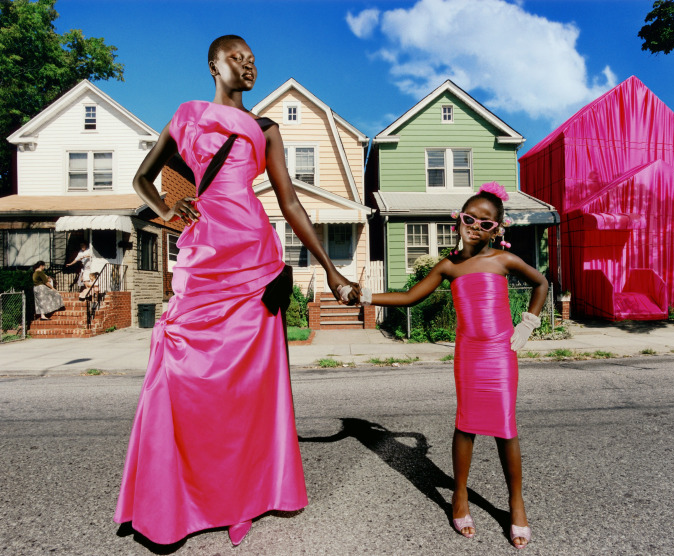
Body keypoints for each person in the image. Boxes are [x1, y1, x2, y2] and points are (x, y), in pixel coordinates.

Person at [114, 35, 359, 546]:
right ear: (213, 65)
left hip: (254, 259)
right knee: (180, 370)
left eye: (252, 60)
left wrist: (331, 269)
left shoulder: (266, 130)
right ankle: (173, 495)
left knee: (251, 385)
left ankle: (254, 492)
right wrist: (165, 209)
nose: (248, 66)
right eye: (237, 58)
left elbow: (291, 204)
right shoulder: (185, 116)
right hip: (205, 259)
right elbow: (142, 178)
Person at [363, 182, 548, 549]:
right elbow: (409, 297)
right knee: (466, 424)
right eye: (470, 218)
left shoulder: (503, 260)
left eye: (486, 223)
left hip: (500, 352)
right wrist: (365, 294)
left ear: (498, 228)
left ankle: (516, 504)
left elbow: (540, 282)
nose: (476, 226)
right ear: (458, 220)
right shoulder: (449, 265)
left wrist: (528, 323)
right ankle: (459, 495)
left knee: (505, 428)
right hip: (468, 354)